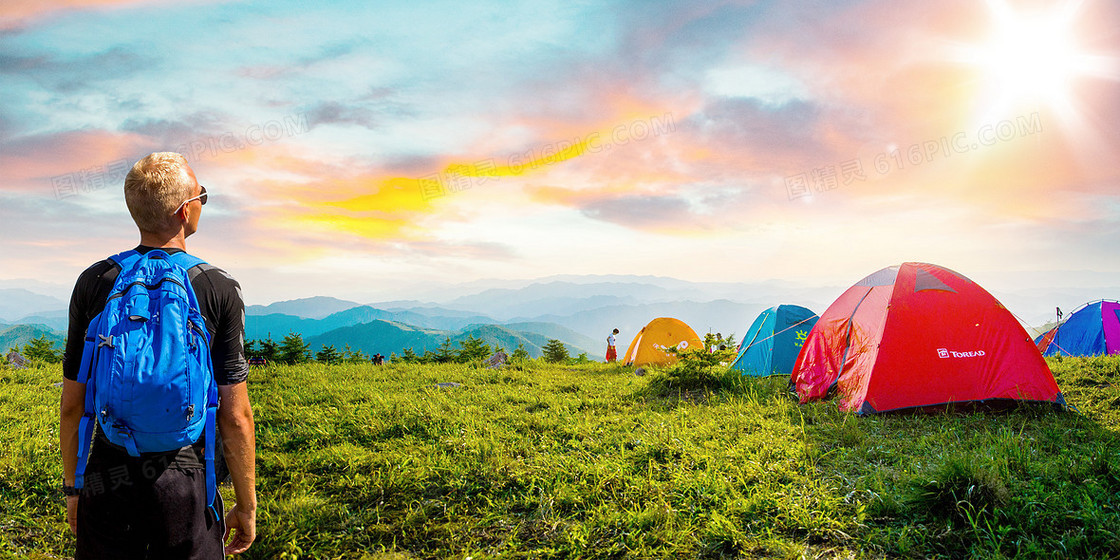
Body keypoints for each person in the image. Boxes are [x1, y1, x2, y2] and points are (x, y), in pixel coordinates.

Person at [59, 152, 257, 558]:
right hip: (186, 476)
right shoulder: (216, 286)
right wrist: (246, 505)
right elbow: (235, 416)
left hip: (108, 470)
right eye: (202, 195)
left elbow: (72, 406)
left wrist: (76, 488)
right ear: (186, 211)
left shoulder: (96, 280)